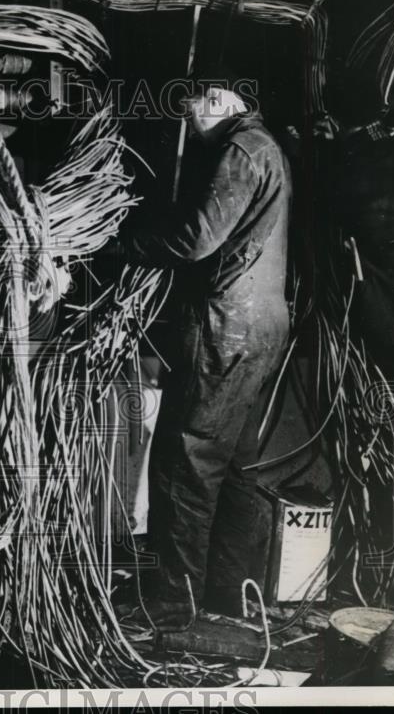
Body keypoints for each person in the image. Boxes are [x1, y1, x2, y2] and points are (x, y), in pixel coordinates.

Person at [116, 73, 292, 630]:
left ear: (217, 100)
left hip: (228, 329)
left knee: (186, 461)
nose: (189, 127)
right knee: (235, 465)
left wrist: (122, 244)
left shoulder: (240, 149)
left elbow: (196, 239)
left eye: (190, 111)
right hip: (262, 327)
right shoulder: (269, 147)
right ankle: (227, 595)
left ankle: (172, 602)